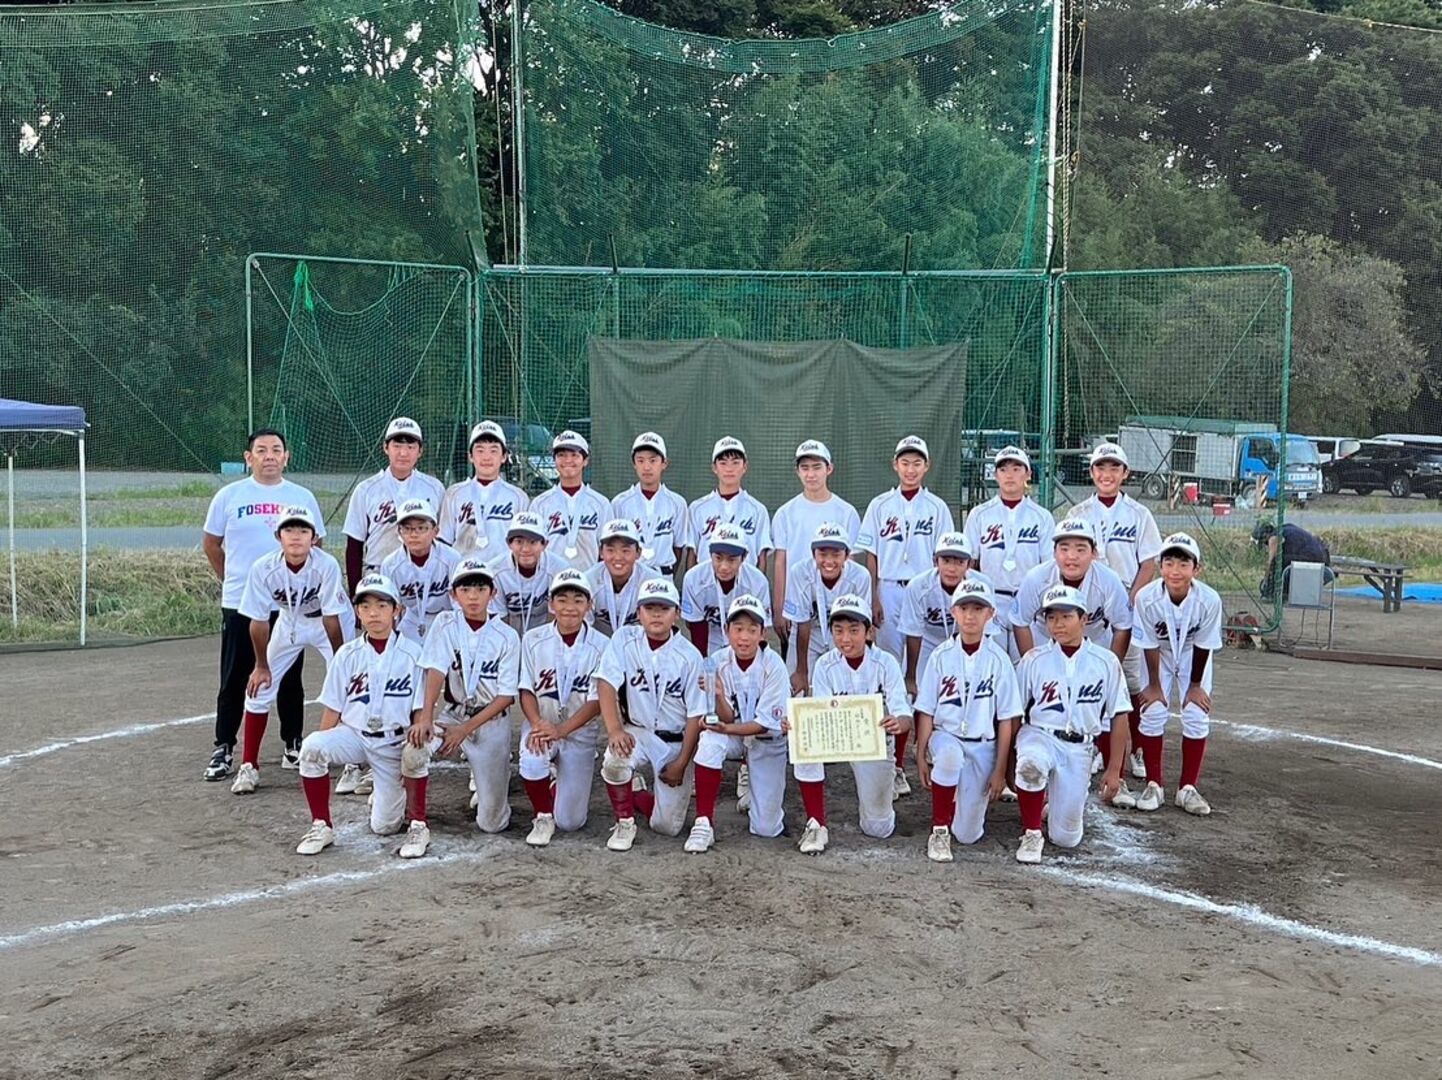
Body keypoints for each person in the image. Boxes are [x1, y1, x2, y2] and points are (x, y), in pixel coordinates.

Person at [201, 428, 325, 782]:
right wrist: (234, 581)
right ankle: (225, 746)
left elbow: (316, 545)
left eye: (276, 450)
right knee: (235, 676)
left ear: (286, 457)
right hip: (241, 601)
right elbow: (211, 544)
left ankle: (292, 742)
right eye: (261, 450)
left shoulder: (301, 496)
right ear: (248, 457)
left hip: (288, 602)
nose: (269, 456)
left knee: (289, 676)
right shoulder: (229, 496)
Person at [292, 574, 431, 859]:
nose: (373, 613)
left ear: (396, 610)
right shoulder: (346, 654)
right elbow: (333, 708)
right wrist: (322, 749)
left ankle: (417, 821)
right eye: (365, 607)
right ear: (357, 612)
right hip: (354, 735)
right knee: (312, 747)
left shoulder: (413, 653)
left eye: (381, 605)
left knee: (385, 827)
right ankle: (321, 825)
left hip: (393, 742)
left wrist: (414, 741)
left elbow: (419, 709)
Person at [1008, 517, 1136, 810]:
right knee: (1041, 711)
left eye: (1080, 548)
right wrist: (1034, 663)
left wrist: (1109, 669)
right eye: (1064, 548)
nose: (1071, 556)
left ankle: (1113, 773)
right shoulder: (1037, 578)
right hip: (1045, 639)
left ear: (1094, 552)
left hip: (1095, 642)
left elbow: (1122, 626)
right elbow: (1020, 620)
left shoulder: (1108, 581)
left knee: (1102, 709)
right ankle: (1032, 774)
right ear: (1054, 552)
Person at [856, 435, 955, 797]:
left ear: (926, 466)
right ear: (895, 465)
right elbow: (871, 554)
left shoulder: (937, 508)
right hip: (889, 588)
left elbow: (945, 556)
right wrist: (873, 595)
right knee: (888, 673)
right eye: (905, 462)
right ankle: (889, 760)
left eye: (917, 462)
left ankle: (919, 754)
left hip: (925, 589)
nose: (910, 469)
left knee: (921, 678)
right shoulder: (880, 504)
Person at [229, 506, 348, 795]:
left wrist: (342, 661)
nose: (296, 536)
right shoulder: (263, 568)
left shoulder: (326, 565)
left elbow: (331, 619)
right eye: (289, 530)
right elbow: (258, 621)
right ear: (278, 536)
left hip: (327, 622)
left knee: (347, 686)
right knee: (258, 688)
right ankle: (249, 765)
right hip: (289, 621)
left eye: (303, 530)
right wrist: (261, 666)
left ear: (314, 538)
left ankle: (353, 765)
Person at [1012, 585, 1132, 865]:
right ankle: (1031, 832)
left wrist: (1114, 769)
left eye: (1066, 616)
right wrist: (1008, 763)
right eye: (1052, 617)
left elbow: (1119, 715)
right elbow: (1015, 714)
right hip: (1039, 734)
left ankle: (1053, 806)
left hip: (1080, 746)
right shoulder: (1033, 659)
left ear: (1084, 619)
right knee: (1030, 765)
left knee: (1066, 838)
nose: (1058, 624)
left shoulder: (1106, 661)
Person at [790, 594, 914, 855]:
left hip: (873, 743)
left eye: (854, 630)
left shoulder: (886, 662)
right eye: (839, 630)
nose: (845, 638)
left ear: (868, 632)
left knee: (878, 828)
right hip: (838, 738)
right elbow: (821, 712)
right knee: (804, 745)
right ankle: (816, 823)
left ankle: (884, 794)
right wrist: (800, 724)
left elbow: (903, 713)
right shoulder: (825, 664)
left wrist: (899, 722)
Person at [1069, 441, 1162, 782]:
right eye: (1100, 468)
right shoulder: (1078, 514)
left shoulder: (1139, 514)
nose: (1106, 474)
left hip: (1124, 600)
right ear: (1092, 472)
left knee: (1130, 678)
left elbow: (1149, 560)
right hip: (1089, 605)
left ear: (1125, 473)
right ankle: (1097, 745)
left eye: (1114, 468)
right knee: (1090, 675)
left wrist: (1133, 596)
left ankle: (1135, 749)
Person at [913, 578, 1023, 862]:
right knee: (949, 758)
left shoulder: (999, 660)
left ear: (991, 614)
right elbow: (926, 710)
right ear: (953, 612)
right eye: (964, 609)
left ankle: (955, 798)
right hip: (946, 736)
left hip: (983, 744)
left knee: (968, 834)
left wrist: (1000, 770)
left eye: (978, 609)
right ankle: (939, 829)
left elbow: (1007, 720)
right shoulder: (940, 656)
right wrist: (921, 754)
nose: (970, 616)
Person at [594, 578, 707, 852]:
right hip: (638, 731)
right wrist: (615, 730)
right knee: (614, 762)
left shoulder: (690, 656)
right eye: (649, 608)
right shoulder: (624, 639)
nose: (656, 615)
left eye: (664, 608)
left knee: (666, 827)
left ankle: (636, 793)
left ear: (676, 614)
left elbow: (696, 716)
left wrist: (682, 762)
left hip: (675, 740)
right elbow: (606, 683)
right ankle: (624, 822)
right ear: (638, 612)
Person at [417, 558, 521, 835]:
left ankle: (494, 783)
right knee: (414, 748)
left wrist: (465, 729)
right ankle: (410, 812)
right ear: (453, 595)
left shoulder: (507, 635)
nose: (473, 596)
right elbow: (435, 670)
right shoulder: (445, 623)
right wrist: (426, 717)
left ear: (493, 593)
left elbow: (506, 697)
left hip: (491, 721)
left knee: (492, 824)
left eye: (480, 589)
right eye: (465, 590)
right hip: (452, 714)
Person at [684, 594, 791, 853]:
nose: (744, 637)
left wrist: (727, 728)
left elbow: (763, 725)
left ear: (762, 633)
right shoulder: (716, 661)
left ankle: (756, 791)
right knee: (710, 740)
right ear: (726, 630)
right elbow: (724, 717)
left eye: (752, 630)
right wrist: (719, 695)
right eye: (738, 629)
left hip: (767, 739)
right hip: (733, 734)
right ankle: (704, 822)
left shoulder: (774, 664)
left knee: (766, 828)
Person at [1132, 532, 1224, 815]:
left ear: (1197, 569)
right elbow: (1148, 643)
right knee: (1152, 711)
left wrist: (1195, 685)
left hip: (1192, 654)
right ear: (1160, 566)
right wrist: (1154, 685)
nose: (1175, 571)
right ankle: (1154, 784)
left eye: (1184, 564)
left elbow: (1204, 643)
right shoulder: (1146, 597)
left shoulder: (1209, 599)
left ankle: (1188, 788)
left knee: (1196, 713)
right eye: (1169, 563)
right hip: (1158, 654)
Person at [516, 568, 606, 847]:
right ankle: (542, 815)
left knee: (570, 822)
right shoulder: (533, 638)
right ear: (551, 604)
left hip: (580, 731)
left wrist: (562, 730)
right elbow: (526, 690)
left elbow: (597, 701)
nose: (570, 607)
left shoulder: (603, 645)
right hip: (542, 722)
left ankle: (556, 784)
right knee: (532, 758)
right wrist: (536, 724)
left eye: (578, 600)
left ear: (589, 606)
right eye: (562, 599)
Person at [770, 439, 860, 666]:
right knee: (798, 674)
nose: (811, 474)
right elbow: (780, 562)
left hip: (837, 611)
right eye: (805, 468)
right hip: (799, 607)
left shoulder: (847, 512)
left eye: (817, 467)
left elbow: (851, 565)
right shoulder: (785, 513)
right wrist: (780, 609)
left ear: (829, 469)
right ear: (797, 471)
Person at [961, 445, 1053, 659]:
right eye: (1003, 469)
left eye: (1016, 469)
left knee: (1029, 663)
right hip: (992, 598)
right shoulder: (979, 514)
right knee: (992, 663)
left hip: (1029, 600)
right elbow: (969, 563)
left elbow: (1049, 566)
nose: (1009, 475)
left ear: (1028, 474)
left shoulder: (1042, 517)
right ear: (995, 475)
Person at [343, 417, 446, 588]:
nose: (403, 453)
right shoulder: (366, 489)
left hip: (424, 573)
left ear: (420, 451)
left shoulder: (434, 488)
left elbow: (442, 538)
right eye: (397, 446)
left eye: (410, 447)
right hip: (378, 571)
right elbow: (354, 544)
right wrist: (355, 592)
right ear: (385, 448)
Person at [900, 531, 998, 703]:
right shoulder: (918, 586)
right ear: (935, 561)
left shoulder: (983, 585)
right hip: (928, 642)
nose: (952, 569)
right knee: (923, 694)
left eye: (959, 562)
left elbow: (986, 632)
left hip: (967, 640)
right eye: (946, 561)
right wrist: (910, 677)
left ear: (970, 564)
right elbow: (914, 634)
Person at [783, 522, 873, 696]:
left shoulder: (860, 576)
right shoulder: (800, 572)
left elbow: (862, 624)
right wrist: (802, 670)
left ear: (847, 555)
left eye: (836, 554)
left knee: (844, 688)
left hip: (843, 634)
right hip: (809, 633)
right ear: (813, 554)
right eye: (823, 554)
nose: (829, 561)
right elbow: (802, 623)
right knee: (795, 690)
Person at [438, 420, 530, 558]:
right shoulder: (454, 493)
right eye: (480, 451)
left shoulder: (518, 497)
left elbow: (523, 544)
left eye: (493, 451)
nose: (486, 457)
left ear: (504, 456)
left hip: (503, 569)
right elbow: (444, 541)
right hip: (463, 568)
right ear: (470, 456)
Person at [681, 522, 771, 656]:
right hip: (710, 639)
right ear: (710, 554)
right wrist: (704, 661)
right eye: (718, 558)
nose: (724, 566)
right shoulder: (694, 579)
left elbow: (760, 629)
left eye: (731, 560)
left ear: (744, 557)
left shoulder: (757, 581)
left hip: (744, 639)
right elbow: (695, 626)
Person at [378, 498, 460, 644]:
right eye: (407, 529)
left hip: (446, 618)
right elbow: (388, 609)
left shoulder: (451, 558)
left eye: (421, 528)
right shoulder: (390, 565)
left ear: (435, 531)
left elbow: (459, 604)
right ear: (399, 532)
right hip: (412, 619)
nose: (414, 535)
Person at [530, 429, 612, 572]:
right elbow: (533, 548)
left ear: (585, 460)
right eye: (561, 455)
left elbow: (608, 548)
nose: (568, 460)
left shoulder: (601, 503)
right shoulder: (540, 504)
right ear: (554, 460)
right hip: (551, 579)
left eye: (574, 455)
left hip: (589, 579)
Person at [609, 432, 691, 574]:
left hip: (664, 575)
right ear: (634, 464)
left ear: (664, 463)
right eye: (640, 461)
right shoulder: (620, 503)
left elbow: (678, 547)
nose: (646, 467)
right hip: (631, 576)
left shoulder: (677, 503)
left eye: (653, 461)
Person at [687, 436, 772, 568]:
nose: (729, 469)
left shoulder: (757, 510)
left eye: (735, 462)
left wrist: (758, 581)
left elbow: (762, 556)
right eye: (723, 463)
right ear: (714, 467)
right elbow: (692, 553)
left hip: (745, 577)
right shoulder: (697, 508)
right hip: (706, 577)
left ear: (745, 466)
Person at [487, 510, 568, 636]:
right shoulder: (494, 571)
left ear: (544, 544)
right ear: (509, 543)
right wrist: (510, 642)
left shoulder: (559, 569)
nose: (525, 549)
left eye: (533, 542)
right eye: (519, 542)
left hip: (546, 633)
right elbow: (500, 619)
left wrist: (541, 641)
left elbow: (556, 615)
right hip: (509, 632)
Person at [585, 518, 661, 637]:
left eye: (625, 551)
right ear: (601, 552)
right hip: (599, 645)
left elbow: (660, 630)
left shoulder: (653, 583)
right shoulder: (589, 580)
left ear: (638, 552)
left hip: (639, 644)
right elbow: (582, 629)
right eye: (610, 550)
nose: (618, 557)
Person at [1253, 520, 1332, 601]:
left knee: (1277, 561)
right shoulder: (1285, 528)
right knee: (1284, 560)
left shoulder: (1273, 537)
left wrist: (1266, 579)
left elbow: (1271, 560)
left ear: (1265, 536)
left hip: (1312, 557)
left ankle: (1275, 593)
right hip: (1320, 555)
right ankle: (1283, 591)